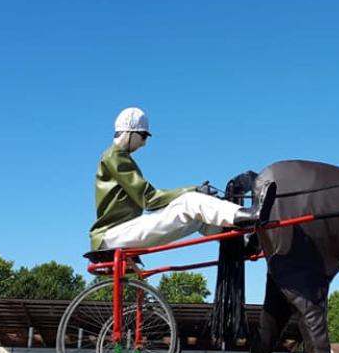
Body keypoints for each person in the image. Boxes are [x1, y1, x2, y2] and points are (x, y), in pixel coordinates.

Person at [89, 107, 275, 256]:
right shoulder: (115, 157)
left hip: (119, 232)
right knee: (191, 202)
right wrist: (193, 189)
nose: (144, 143)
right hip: (112, 235)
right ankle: (249, 214)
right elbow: (149, 199)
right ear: (130, 132)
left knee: (199, 218)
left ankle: (243, 244)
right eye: (144, 136)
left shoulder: (116, 157)